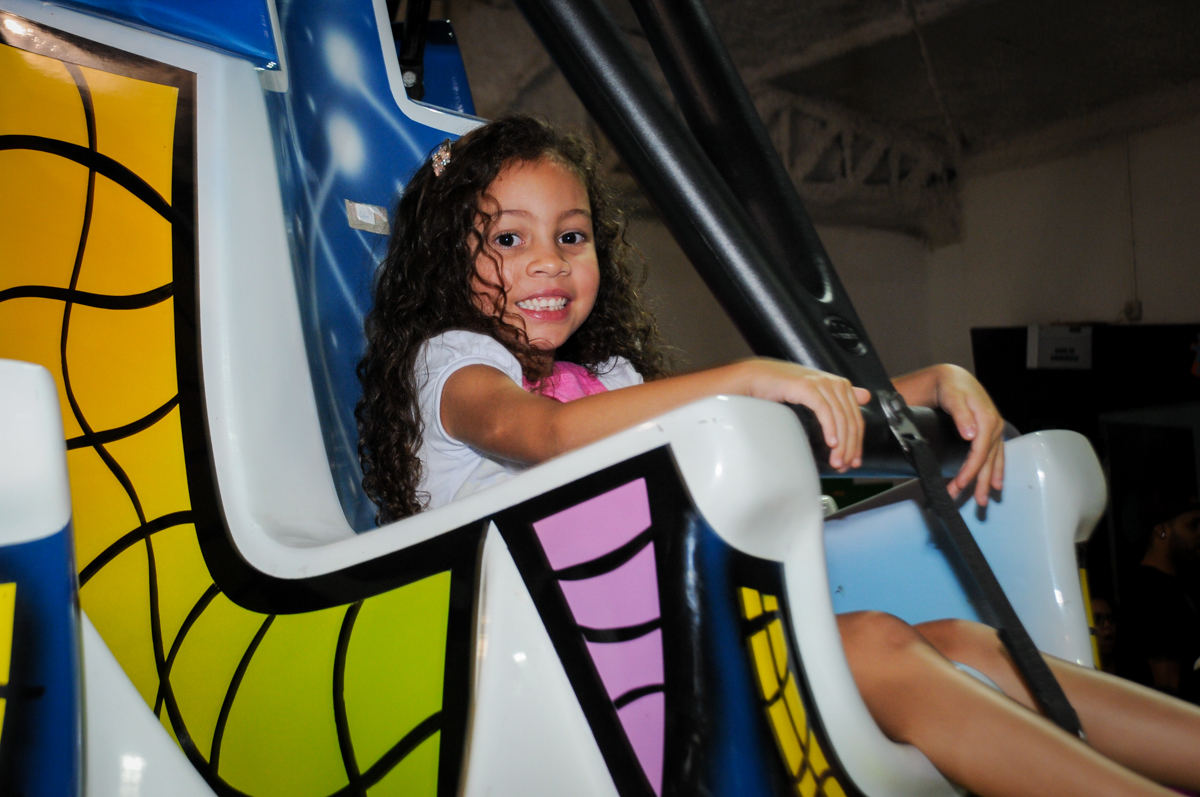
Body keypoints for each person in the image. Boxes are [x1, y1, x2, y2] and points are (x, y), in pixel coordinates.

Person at [357, 116, 1200, 797]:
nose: (549, 260)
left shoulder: (605, 377)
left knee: (964, 642)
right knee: (873, 644)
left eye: (572, 235)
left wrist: (928, 387)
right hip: (563, 676)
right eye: (507, 239)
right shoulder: (455, 366)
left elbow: (774, 424)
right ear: (446, 257)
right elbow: (540, 436)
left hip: (668, 638)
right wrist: (749, 377)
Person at [1124, 499, 1200, 703]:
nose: (1199, 533)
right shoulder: (1151, 591)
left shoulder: (1175, 586)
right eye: (1193, 525)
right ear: (1161, 529)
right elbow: (1167, 686)